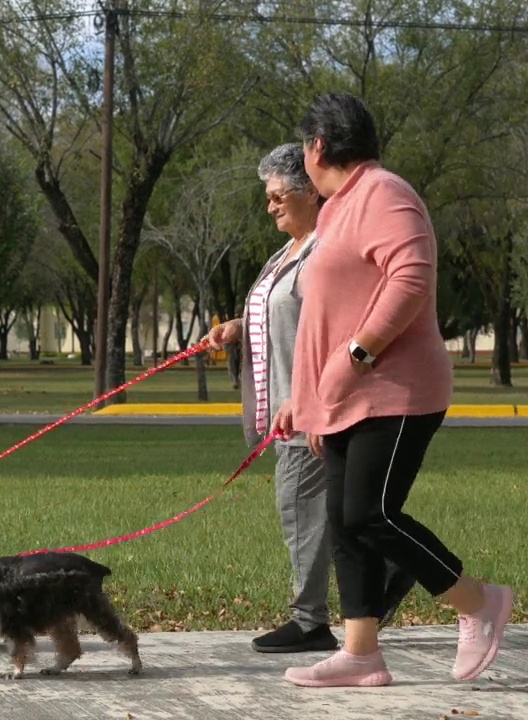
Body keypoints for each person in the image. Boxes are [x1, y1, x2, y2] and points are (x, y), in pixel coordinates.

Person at [275, 92, 513, 688]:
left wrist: (358, 356)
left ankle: (479, 602)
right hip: (344, 400)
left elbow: (410, 279)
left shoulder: (384, 192)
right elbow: (324, 316)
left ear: (317, 147)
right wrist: (305, 400)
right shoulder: (335, 211)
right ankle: (361, 655)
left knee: (371, 513)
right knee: (345, 524)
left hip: (396, 391)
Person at [204, 143, 415, 656]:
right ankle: (390, 570)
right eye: (268, 197)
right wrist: (237, 326)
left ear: (310, 193)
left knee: (299, 507)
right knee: (335, 513)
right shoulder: (288, 252)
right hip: (286, 402)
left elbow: (333, 327)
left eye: (279, 196)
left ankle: (310, 620)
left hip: (309, 406)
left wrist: (308, 396)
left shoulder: (325, 249)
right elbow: (282, 313)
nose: (270, 206)